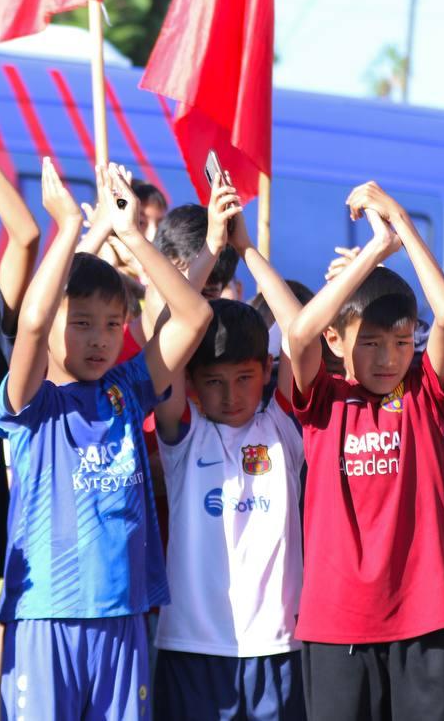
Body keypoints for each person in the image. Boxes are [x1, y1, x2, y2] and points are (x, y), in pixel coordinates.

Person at [0, 159, 211, 719]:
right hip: (47, 613)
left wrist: (132, 235)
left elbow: (193, 317)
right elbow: (33, 322)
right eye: (82, 323)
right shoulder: (33, 403)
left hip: (124, 612)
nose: (100, 339)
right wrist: (71, 228)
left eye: (113, 324)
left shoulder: (128, 388)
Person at [286, 181, 444, 721]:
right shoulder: (323, 401)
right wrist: (373, 252)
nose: (389, 358)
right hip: (336, 622)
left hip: (421, 617)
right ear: (337, 343)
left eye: (402, 342)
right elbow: (299, 335)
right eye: (371, 343)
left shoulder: (421, 395)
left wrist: (401, 224)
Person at [152, 190, 308, 721]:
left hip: (276, 646)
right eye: (215, 381)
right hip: (191, 647)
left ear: (266, 371)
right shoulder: (183, 436)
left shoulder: (283, 428)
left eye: (245, 378)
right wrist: (211, 248)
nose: (231, 394)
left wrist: (245, 250)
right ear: (192, 383)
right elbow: (170, 334)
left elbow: (299, 333)